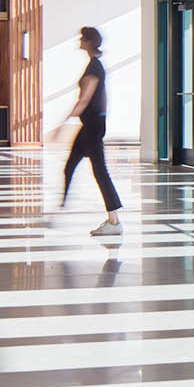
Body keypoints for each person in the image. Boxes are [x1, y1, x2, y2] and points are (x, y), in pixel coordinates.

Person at [52, 26, 123, 235]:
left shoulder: (95, 68)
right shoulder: (94, 65)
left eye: (82, 38)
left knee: (100, 171)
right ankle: (62, 206)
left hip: (92, 127)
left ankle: (114, 221)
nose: (79, 41)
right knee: (70, 165)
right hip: (90, 126)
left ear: (88, 41)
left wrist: (63, 123)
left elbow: (85, 100)